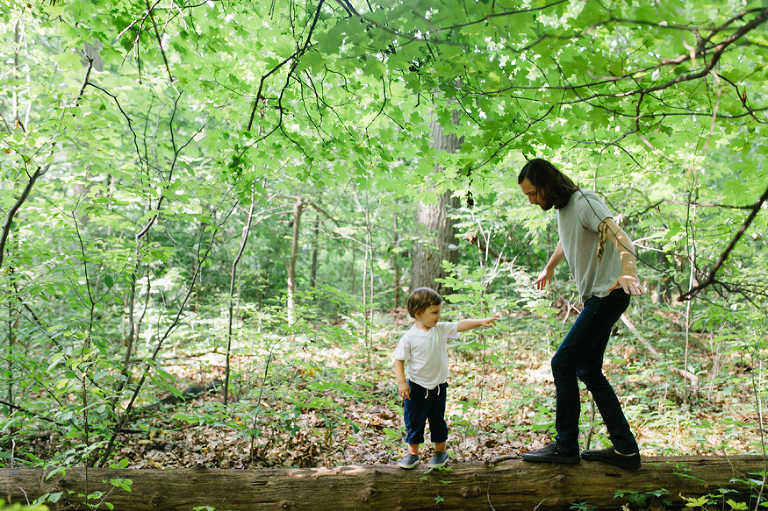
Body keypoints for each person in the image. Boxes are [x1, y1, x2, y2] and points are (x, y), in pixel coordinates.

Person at [518, 158, 644, 471]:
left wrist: (629, 271)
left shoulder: (585, 201)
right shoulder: (565, 208)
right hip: (600, 297)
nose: (532, 201)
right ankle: (625, 450)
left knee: (562, 364)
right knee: (588, 371)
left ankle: (566, 446)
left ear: (547, 184)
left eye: (533, 194)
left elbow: (620, 235)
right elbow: (569, 237)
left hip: (608, 294)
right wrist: (550, 266)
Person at [394, 287, 500, 469]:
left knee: (438, 421)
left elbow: (461, 324)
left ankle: (440, 453)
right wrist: (402, 383)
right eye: (434, 312)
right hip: (416, 388)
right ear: (418, 313)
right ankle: (413, 454)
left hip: (438, 387)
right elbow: (399, 360)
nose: (439, 316)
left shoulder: (440, 330)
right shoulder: (409, 337)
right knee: (414, 421)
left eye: (439, 312)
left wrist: (481, 322)